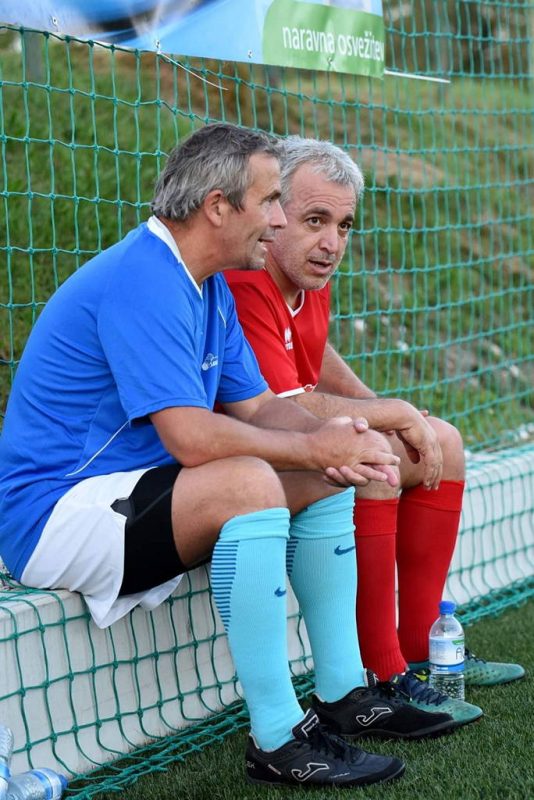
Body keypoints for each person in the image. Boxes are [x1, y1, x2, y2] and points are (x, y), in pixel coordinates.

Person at [0, 123, 467, 790]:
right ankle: (277, 738)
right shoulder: (145, 277)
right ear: (218, 206)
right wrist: (309, 443)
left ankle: (344, 693)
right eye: (270, 200)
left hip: (129, 492)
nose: (277, 219)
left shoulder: (208, 283)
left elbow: (258, 407)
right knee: (250, 481)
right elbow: (191, 437)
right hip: (54, 515)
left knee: (324, 471)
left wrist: (342, 439)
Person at [225, 135, 525, 718]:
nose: (331, 243)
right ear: (274, 212)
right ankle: (381, 668)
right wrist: (391, 415)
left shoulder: (306, 271)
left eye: (344, 225)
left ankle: (424, 648)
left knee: (444, 442)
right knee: (375, 457)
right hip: (247, 459)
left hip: (291, 444)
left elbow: (315, 352)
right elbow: (283, 405)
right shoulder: (247, 281)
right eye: (315, 220)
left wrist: (384, 406)